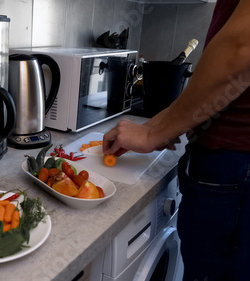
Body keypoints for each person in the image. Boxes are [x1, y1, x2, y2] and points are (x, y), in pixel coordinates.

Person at [102, 0, 250, 280]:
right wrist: (160, 127)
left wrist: (152, 134)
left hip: (235, 171)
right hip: (229, 169)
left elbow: (241, 47)